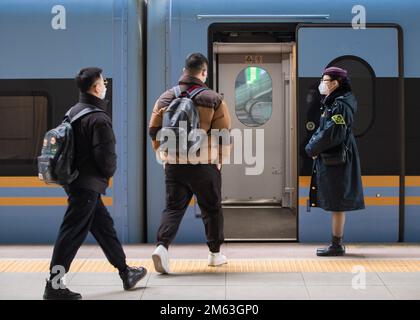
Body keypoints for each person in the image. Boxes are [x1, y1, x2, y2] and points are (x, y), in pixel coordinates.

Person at [43, 67, 147, 300]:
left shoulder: (73, 112)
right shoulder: (99, 119)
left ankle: (125, 272)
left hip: (76, 183)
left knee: (104, 228)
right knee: (70, 235)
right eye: (104, 83)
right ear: (96, 88)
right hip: (87, 186)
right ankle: (54, 286)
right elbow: (107, 159)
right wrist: (106, 173)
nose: (106, 87)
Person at [148, 53, 231, 273]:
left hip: (174, 165)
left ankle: (162, 247)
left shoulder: (165, 97)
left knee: (173, 208)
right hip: (205, 164)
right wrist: (220, 160)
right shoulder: (214, 99)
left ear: (184, 70)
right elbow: (224, 134)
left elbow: (153, 131)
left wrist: (164, 157)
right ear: (203, 72)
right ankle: (214, 254)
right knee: (211, 208)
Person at [305, 66, 365, 256]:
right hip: (335, 158)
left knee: (338, 203)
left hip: (338, 160)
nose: (322, 84)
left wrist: (311, 147)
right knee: (336, 202)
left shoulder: (340, 105)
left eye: (325, 80)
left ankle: (336, 245)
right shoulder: (335, 102)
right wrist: (314, 145)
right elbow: (325, 130)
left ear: (335, 83)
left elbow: (333, 133)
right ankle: (336, 243)